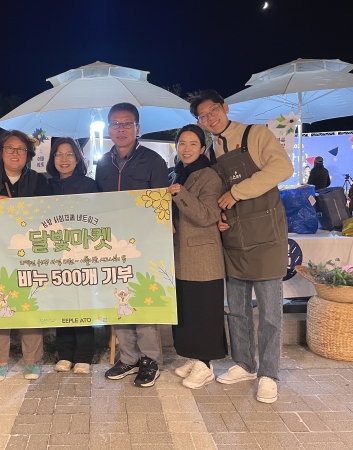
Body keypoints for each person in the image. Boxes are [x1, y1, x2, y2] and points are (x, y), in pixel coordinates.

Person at [191, 90, 293, 404]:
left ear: (225, 108)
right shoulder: (211, 150)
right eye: (203, 116)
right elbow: (215, 193)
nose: (210, 119)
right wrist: (220, 216)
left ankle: (269, 374)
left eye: (213, 111)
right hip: (234, 236)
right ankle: (245, 364)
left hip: (266, 235)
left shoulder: (255, 135)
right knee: (237, 309)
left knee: (270, 314)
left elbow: (282, 169)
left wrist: (237, 193)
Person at [96, 102, 169, 388]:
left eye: (127, 123)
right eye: (115, 123)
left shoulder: (153, 161)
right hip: (111, 245)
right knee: (118, 299)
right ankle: (128, 357)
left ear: (137, 128)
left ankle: (150, 359)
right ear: (108, 128)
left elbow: (161, 205)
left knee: (143, 299)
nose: (121, 129)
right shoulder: (103, 162)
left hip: (145, 244)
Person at [0, 129, 52, 382]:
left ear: (28, 154)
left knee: (30, 303)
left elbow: (46, 216)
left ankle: (32, 360)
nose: (15, 153)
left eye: (21, 149)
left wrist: (17, 210)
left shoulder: (39, 181)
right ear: (1, 152)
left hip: (29, 253)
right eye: (10, 148)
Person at [167, 124, 226, 389]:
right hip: (180, 254)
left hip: (203, 256)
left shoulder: (209, 176)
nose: (186, 148)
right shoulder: (176, 174)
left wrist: (181, 193)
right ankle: (194, 357)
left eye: (193, 144)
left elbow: (207, 215)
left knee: (205, 310)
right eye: (182, 143)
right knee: (188, 309)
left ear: (203, 148)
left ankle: (206, 364)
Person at [46, 137, 99, 375]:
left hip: (83, 253)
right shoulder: (46, 186)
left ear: (78, 159)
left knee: (83, 302)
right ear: (52, 158)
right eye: (59, 154)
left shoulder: (90, 185)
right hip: (55, 254)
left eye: (69, 154)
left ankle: (84, 356)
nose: (64, 159)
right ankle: (65, 354)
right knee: (63, 302)